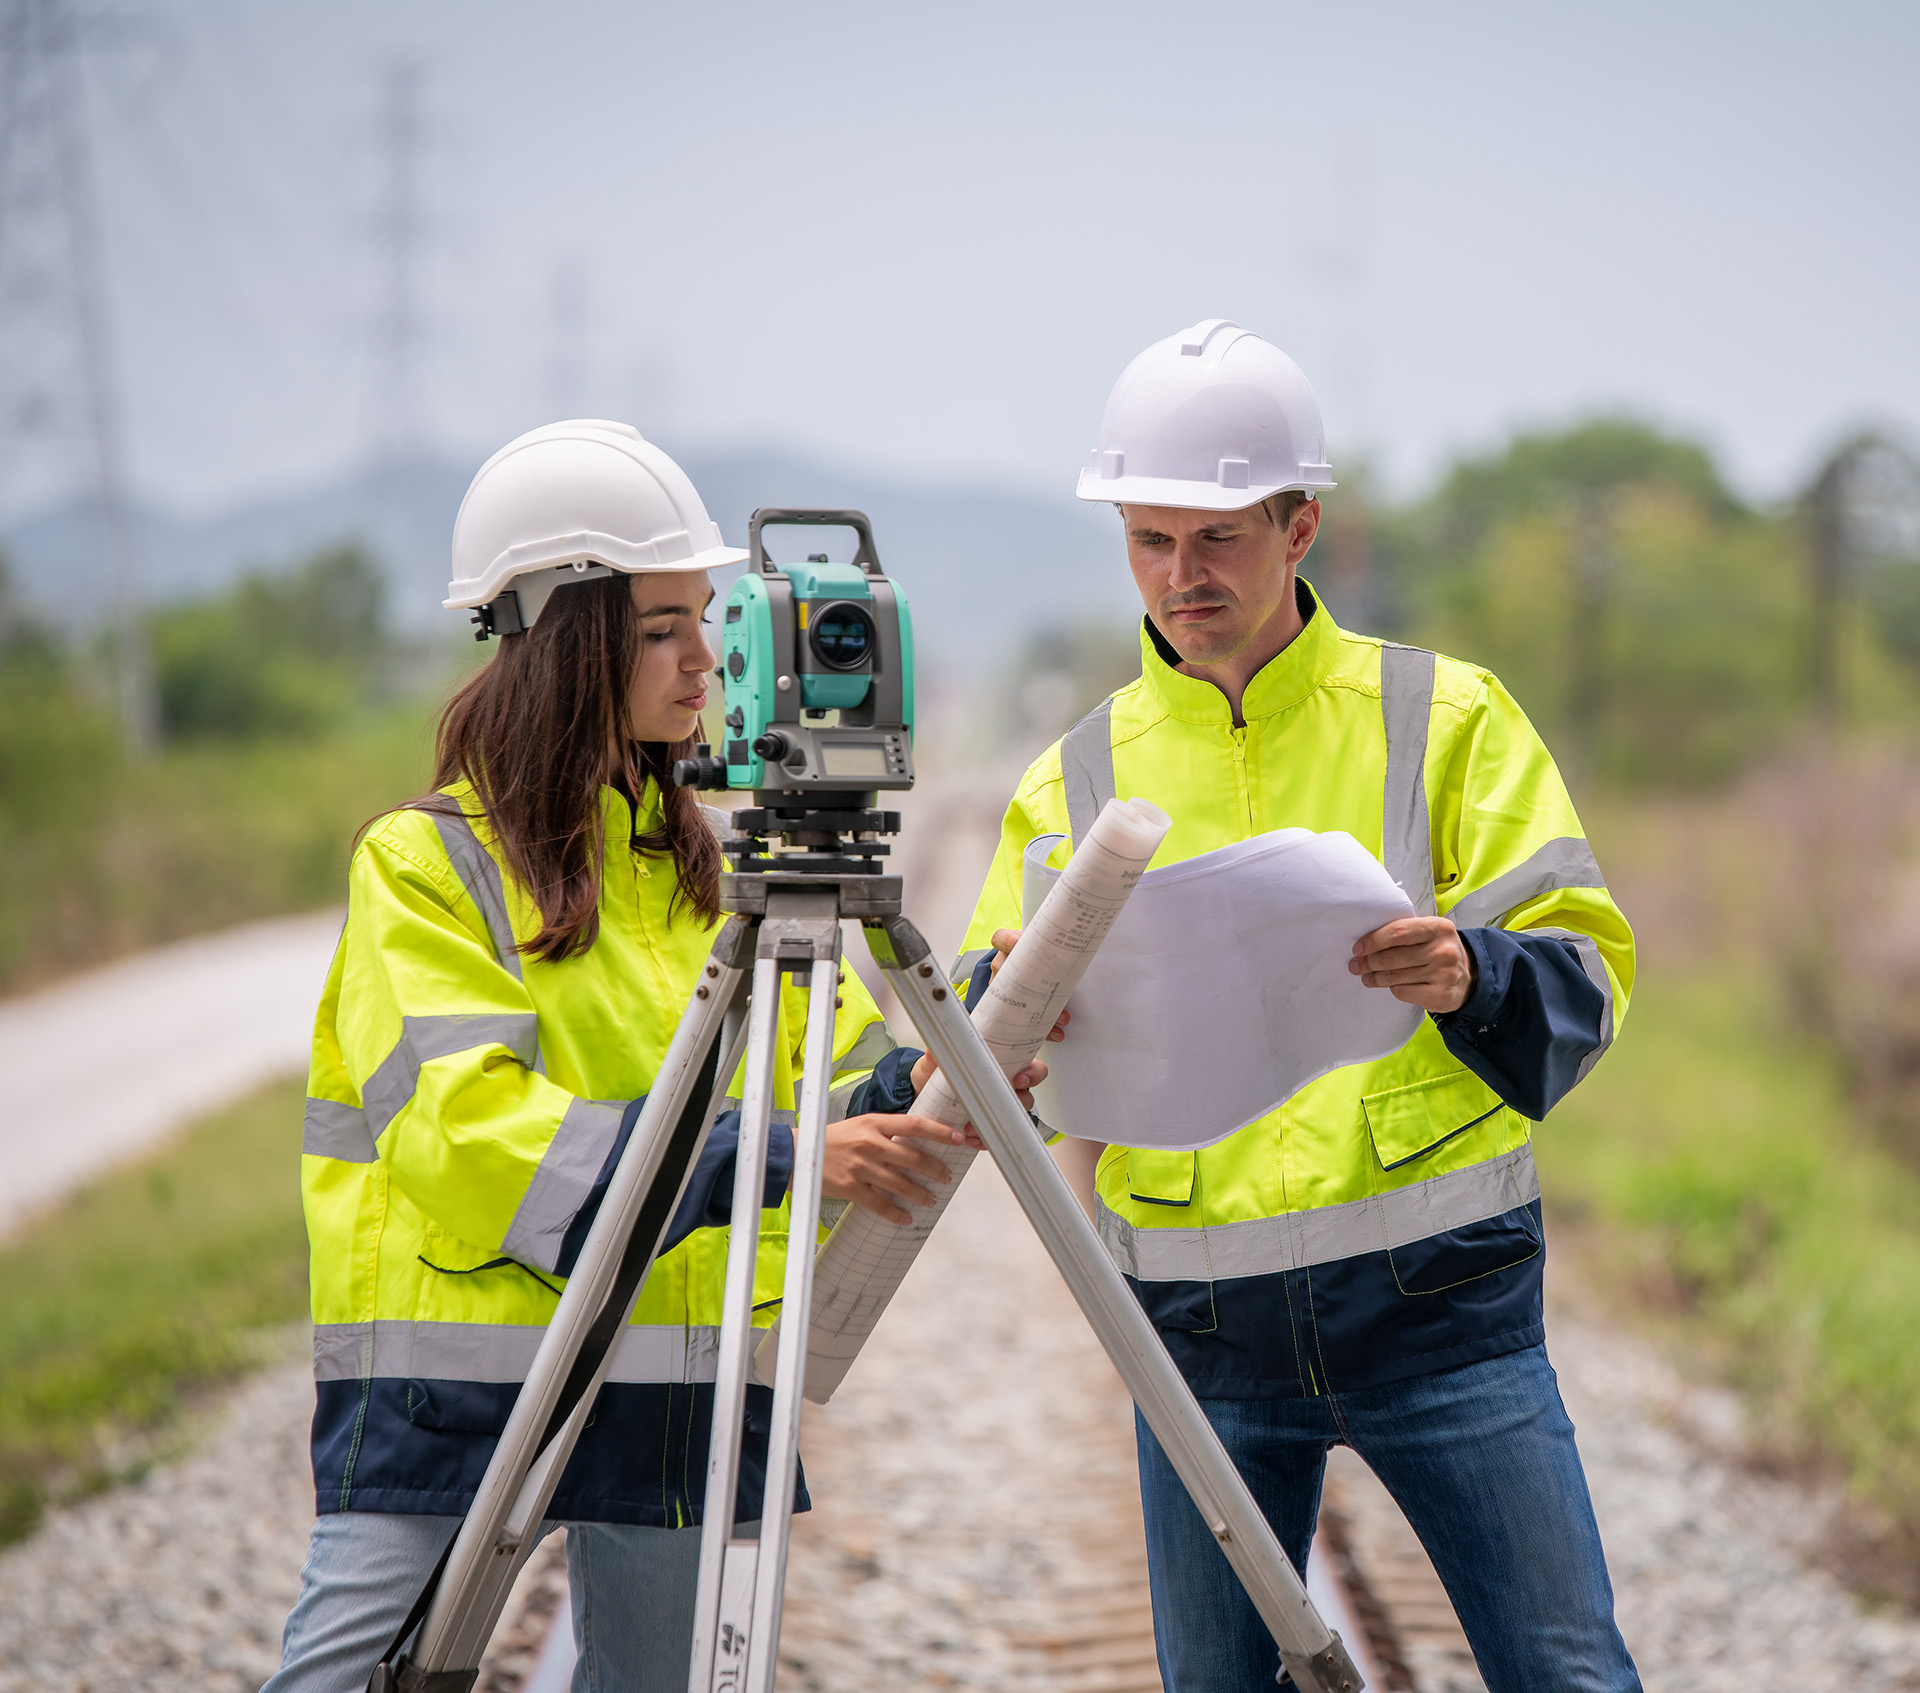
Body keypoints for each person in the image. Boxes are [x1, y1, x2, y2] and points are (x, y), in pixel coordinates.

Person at [271, 420, 1039, 1693]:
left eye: (709, 620)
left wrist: (933, 1065)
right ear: (569, 645)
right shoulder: (425, 865)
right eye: (662, 629)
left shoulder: (704, 870)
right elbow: (477, 1140)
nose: (709, 660)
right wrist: (790, 1154)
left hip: (676, 1379)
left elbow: (813, 1084)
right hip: (462, 1386)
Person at [956, 324, 1640, 1692]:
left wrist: (1473, 972)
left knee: (1566, 1671)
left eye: (1214, 538)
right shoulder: (1074, 776)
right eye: (1149, 541)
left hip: (1439, 1296)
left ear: (1299, 524)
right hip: (1200, 1330)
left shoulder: (1447, 716)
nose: (1179, 577)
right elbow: (986, 1036)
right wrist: (1019, 1020)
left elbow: (1589, 972)